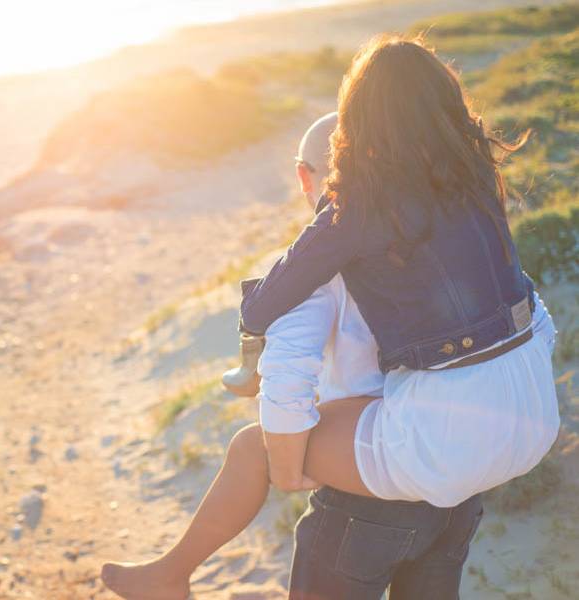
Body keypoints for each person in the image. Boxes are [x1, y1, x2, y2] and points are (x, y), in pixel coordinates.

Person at [102, 35, 560, 599]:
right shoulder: (474, 191)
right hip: (523, 423)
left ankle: (170, 575)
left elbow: (283, 339)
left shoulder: (355, 213)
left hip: (416, 460)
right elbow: (532, 313)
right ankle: (168, 575)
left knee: (258, 448)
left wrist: (289, 467)